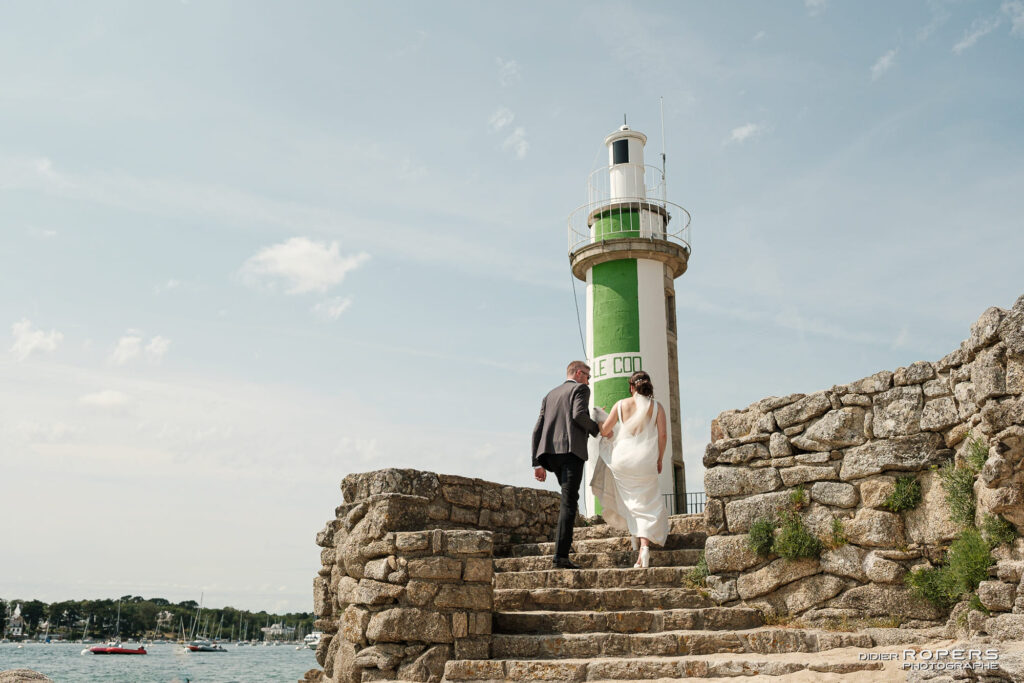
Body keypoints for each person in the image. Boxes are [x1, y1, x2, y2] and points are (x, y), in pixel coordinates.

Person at [590, 370, 668, 568]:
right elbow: (663, 436)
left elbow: (605, 431)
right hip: (645, 461)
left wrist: (599, 416)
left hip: (623, 459)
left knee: (631, 502)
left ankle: (636, 539)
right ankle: (644, 547)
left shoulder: (620, 404)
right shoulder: (657, 407)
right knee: (646, 503)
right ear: (648, 385)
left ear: (631, 387)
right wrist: (659, 459)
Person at [531, 360, 602, 569]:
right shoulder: (580, 389)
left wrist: (537, 463)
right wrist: (598, 428)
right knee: (569, 502)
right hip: (571, 451)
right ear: (579, 373)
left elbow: (538, 428)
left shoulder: (550, 394)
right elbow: (578, 415)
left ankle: (563, 546)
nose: (589, 381)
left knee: (566, 499)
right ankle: (560, 556)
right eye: (588, 376)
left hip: (550, 454)